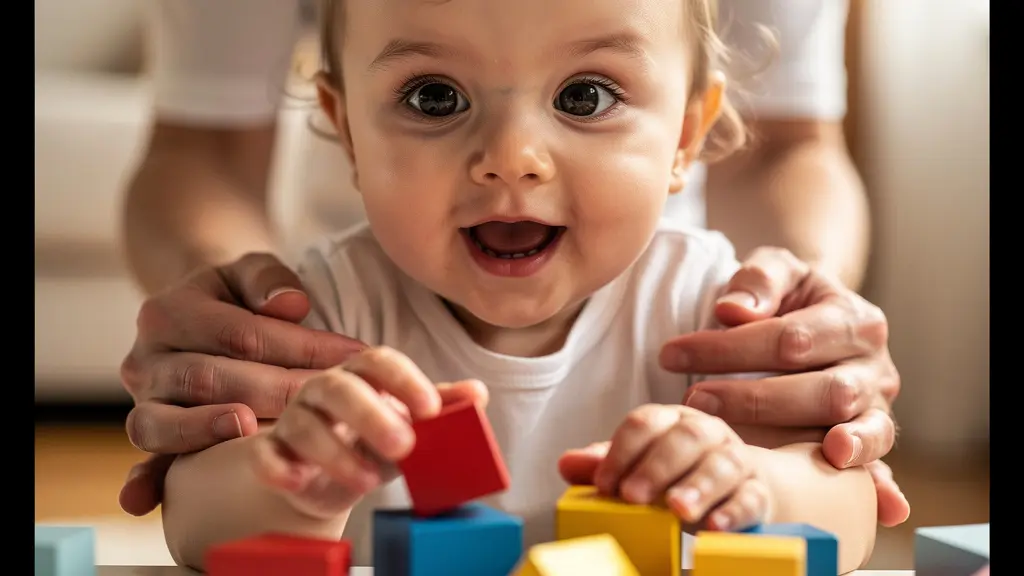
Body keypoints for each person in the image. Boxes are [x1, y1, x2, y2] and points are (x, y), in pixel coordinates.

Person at [120, 0, 908, 531]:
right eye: (434, 97)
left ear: (686, 137)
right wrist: (290, 483)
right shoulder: (325, 317)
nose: (511, 159)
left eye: (587, 96)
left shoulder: (709, 311)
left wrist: (758, 486)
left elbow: (847, 504)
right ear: (347, 131)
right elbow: (194, 513)